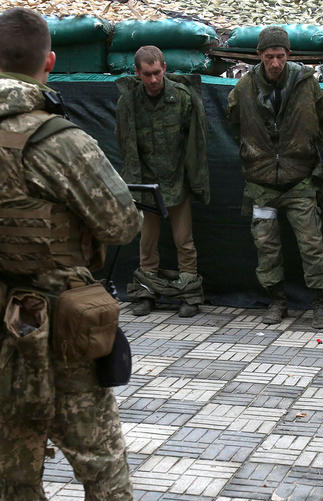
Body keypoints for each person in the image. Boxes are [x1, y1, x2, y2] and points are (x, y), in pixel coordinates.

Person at [0, 8, 186, 501]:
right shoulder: (57, 138)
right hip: (57, 319)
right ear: (49, 62)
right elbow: (122, 219)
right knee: (95, 444)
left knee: (12, 442)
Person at [226, 26, 323, 329]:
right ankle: (277, 301)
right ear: (259, 56)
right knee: (266, 247)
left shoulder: (306, 84)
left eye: (280, 56)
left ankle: (321, 303)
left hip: (300, 179)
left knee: (312, 244)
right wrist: (254, 152)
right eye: (269, 56)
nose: (274, 63)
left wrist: (320, 166)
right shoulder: (244, 88)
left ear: (289, 55)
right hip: (260, 183)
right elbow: (234, 123)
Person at [115, 45, 210, 318]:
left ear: (165, 68)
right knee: (147, 242)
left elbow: (196, 144)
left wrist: (195, 180)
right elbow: (125, 145)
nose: (154, 80)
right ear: (138, 73)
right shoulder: (129, 102)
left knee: (185, 241)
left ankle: (189, 293)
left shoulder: (182, 98)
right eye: (147, 74)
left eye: (157, 73)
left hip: (177, 180)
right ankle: (145, 293)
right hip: (146, 184)